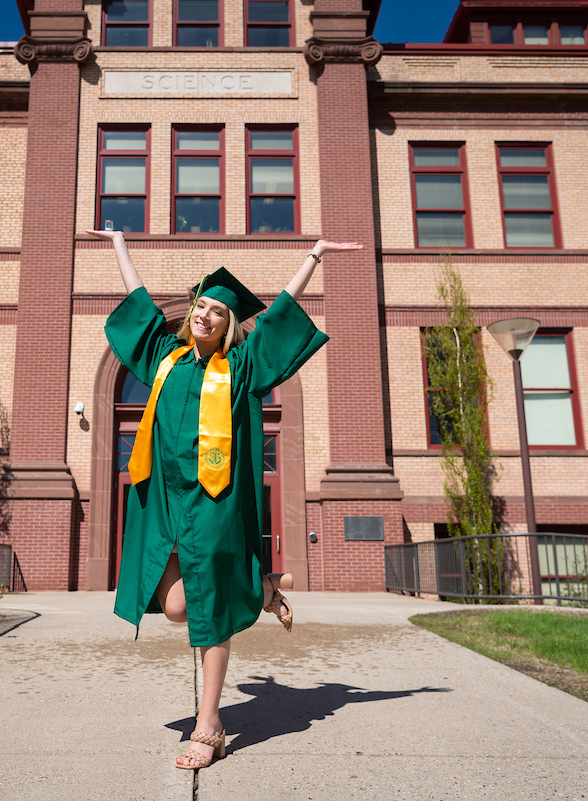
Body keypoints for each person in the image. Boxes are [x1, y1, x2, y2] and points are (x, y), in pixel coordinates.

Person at [90, 228, 362, 770]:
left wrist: (313, 257)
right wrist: (119, 245)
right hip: (164, 500)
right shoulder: (166, 360)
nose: (205, 315)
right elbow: (140, 307)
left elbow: (281, 315)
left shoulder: (240, 368)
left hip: (214, 505)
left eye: (217, 311)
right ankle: (262, 586)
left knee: (208, 612)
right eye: (200, 306)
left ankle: (209, 724)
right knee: (174, 607)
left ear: (229, 323)